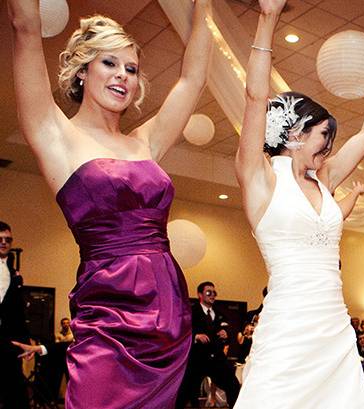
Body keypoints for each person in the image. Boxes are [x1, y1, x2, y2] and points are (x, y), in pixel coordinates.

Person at [7, 1, 212, 407]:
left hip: (168, 319)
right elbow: (25, 26)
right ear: (83, 71)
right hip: (109, 317)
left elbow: (193, 78)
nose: (123, 75)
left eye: (132, 69)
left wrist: (203, 6)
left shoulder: (145, 142)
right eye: (109, 63)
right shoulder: (55, 136)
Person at [233, 0, 364, 406]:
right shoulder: (258, 178)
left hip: (333, 325)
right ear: (294, 133)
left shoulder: (323, 179)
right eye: (323, 138)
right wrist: (268, 17)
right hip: (288, 325)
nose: (329, 149)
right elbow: (255, 97)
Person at [176, 282, 241, 409]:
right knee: (185, 392)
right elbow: (181, 331)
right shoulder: (191, 312)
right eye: (208, 292)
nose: (212, 295)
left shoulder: (220, 313)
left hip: (216, 358)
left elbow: (229, 331)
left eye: (214, 293)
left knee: (233, 385)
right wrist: (196, 336)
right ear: (200, 295)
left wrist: (226, 333)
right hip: (197, 359)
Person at [0, 221, 29, 408]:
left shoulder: (14, 273)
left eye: (8, 240)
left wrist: (26, 340)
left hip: (8, 339)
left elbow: (18, 311)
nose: (4, 243)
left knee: (15, 392)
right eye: (0, 239)